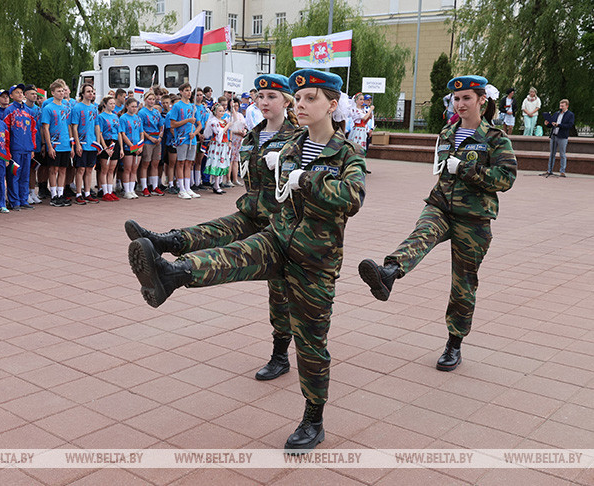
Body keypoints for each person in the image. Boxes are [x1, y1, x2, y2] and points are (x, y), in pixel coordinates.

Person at [127, 69, 365, 451]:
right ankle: (172, 273)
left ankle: (313, 418)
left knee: (312, 344)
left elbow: (352, 198)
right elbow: (275, 198)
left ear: (332, 105)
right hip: (278, 237)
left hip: (315, 260)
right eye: (299, 98)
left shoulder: (346, 153)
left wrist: (306, 180)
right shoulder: (289, 148)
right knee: (232, 255)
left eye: (309, 100)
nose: (301, 105)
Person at [126, 75, 299, 383]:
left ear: (286, 101)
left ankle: (280, 354)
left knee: (280, 293)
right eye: (260, 96)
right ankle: (166, 242)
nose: (264, 102)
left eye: (272, 96)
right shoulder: (252, 136)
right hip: (253, 211)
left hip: (281, 221)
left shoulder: (298, 137)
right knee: (215, 229)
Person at [358, 75, 516, 373]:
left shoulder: (495, 138)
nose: (460, 103)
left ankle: (454, 344)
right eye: (456, 99)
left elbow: (506, 178)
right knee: (421, 234)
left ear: (482, 100)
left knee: (463, 283)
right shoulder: (446, 132)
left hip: (474, 217)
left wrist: (467, 168)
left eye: (467, 98)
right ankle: (389, 272)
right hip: (441, 205)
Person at [4, 84, 37, 210]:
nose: (20, 94)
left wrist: (32, 147)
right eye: (17, 92)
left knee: (25, 175)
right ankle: (14, 201)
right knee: (14, 175)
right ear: (11, 96)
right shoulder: (9, 110)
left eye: (21, 92)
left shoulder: (29, 112)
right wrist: (8, 150)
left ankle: (24, 199)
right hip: (15, 149)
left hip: (27, 149)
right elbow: (6, 131)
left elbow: (33, 131)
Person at [41, 79, 73, 207]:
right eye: (58, 91)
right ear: (52, 93)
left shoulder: (66, 107)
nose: (61, 93)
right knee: (53, 169)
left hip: (65, 143)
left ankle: (61, 194)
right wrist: (49, 146)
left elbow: (69, 125)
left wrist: (71, 144)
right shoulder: (48, 108)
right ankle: (54, 195)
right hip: (55, 144)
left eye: (62, 91)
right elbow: (45, 128)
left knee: (63, 169)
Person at [69, 84, 102, 204]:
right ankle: (78, 193)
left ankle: (87, 192)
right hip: (82, 143)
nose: (90, 94)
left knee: (89, 169)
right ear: (82, 93)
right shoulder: (77, 108)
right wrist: (77, 144)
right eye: (88, 91)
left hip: (91, 143)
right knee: (80, 169)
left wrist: (98, 143)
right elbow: (74, 127)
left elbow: (97, 126)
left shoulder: (94, 108)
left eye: (92, 92)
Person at [167, 83, 199, 199]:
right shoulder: (177, 106)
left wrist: (194, 133)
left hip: (192, 138)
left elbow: (198, 123)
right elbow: (173, 124)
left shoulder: (192, 106)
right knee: (180, 162)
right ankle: (181, 189)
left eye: (190, 90)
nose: (189, 93)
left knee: (189, 163)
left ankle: (187, 187)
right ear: (181, 92)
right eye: (186, 90)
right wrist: (187, 120)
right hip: (181, 138)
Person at [138, 91, 164, 196]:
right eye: (149, 99)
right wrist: (149, 137)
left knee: (155, 163)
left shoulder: (157, 112)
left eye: (153, 99)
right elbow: (141, 128)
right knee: (145, 163)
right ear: (145, 100)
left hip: (157, 140)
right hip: (148, 140)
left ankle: (154, 186)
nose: (151, 101)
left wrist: (160, 137)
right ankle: (144, 187)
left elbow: (161, 125)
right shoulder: (142, 112)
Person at [202, 99, 230, 193]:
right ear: (215, 112)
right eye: (220, 111)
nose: (222, 113)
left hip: (223, 144)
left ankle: (217, 183)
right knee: (216, 163)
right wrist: (228, 126)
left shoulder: (223, 121)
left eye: (223, 111)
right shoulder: (213, 122)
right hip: (217, 145)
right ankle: (216, 184)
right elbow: (218, 133)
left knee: (221, 163)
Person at [96, 96, 121, 201]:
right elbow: (100, 133)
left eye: (114, 103)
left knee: (112, 169)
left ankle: (110, 191)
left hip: (115, 142)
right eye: (110, 103)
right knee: (104, 169)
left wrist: (121, 149)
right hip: (106, 141)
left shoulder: (115, 117)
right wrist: (105, 147)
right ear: (105, 104)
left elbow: (119, 132)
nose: (113, 105)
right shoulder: (101, 117)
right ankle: (105, 191)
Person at [119, 98, 144, 199]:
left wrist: (141, 145)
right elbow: (123, 134)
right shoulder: (123, 118)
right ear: (127, 106)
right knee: (128, 168)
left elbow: (141, 132)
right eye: (132, 106)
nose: (134, 108)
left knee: (134, 168)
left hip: (138, 146)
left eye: (136, 107)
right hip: (129, 146)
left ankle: (132, 189)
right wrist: (132, 146)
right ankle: (126, 190)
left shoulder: (138, 118)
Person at [542, 99, 574, 178]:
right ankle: (549, 170)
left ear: (567, 106)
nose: (561, 107)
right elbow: (552, 124)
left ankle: (562, 171)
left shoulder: (570, 114)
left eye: (562, 106)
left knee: (562, 154)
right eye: (560, 106)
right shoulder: (556, 113)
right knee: (552, 153)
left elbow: (569, 125)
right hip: (554, 136)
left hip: (562, 136)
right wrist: (547, 124)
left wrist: (559, 125)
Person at [226, 97, 246, 186]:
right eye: (234, 105)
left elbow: (244, 125)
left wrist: (244, 131)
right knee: (230, 159)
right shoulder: (228, 115)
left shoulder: (240, 115)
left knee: (236, 159)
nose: (236, 107)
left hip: (239, 139)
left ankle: (235, 179)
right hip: (232, 138)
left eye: (237, 105)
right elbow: (229, 128)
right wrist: (237, 132)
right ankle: (228, 179)